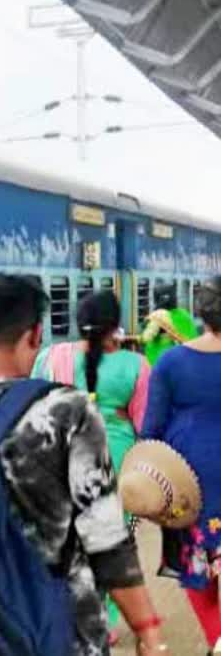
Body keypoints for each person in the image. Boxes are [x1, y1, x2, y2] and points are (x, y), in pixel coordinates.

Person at [0, 273, 165, 655]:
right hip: (58, 631)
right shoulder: (68, 413)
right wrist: (146, 626)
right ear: (35, 336)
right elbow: (104, 535)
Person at [33, 290, 152, 642]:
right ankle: (108, 620)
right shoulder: (136, 366)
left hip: (59, 460)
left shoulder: (50, 357)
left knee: (67, 541)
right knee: (116, 541)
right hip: (117, 461)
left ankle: (66, 614)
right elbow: (146, 422)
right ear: (115, 326)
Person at [144, 276, 221, 654]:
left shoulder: (172, 361)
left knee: (198, 569)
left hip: (189, 481)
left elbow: (151, 431)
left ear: (202, 313)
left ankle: (215, 639)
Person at [143, 283, 198, 365]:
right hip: (183, 364)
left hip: (157, 365)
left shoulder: (156, 316)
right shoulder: (184, 316)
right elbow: (193, 339)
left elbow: (146, 338)